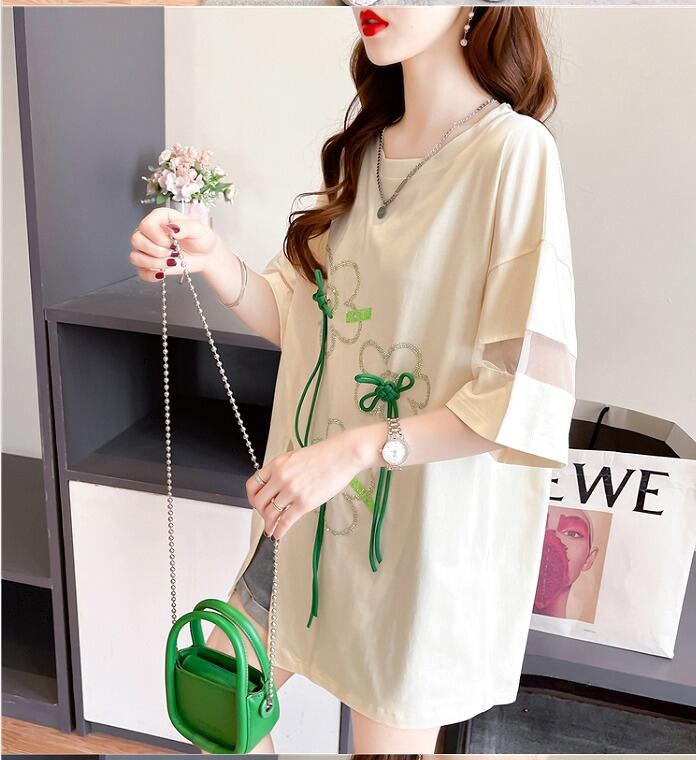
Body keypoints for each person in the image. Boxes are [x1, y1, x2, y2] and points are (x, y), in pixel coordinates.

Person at [129, 5, 577, 753]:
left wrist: (358, 449)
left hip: (420, 540)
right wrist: (210, 258)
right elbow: (303, 317)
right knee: (221, 718)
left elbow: (519, 393)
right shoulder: (364, 151)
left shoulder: (513, 154)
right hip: (308, 514)